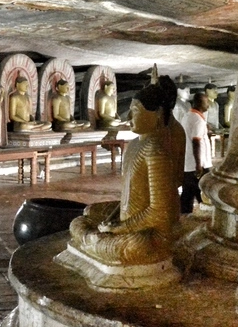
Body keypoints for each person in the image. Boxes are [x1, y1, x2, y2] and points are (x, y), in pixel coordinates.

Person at [66, 77, 186, 269]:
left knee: (134, 246)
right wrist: (113, 218)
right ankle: (96, 239)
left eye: (136, 111)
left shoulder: (156, 151)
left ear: (158, 114)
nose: (128, 117)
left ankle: (94, 240)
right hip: (128, 219)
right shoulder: (134, 145)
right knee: (88, 213)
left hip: (149, 233)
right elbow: (127, 196)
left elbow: (160, 212)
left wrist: (121, 228)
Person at [180, 93, 211, 214]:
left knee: (188, 192)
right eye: (206, 102)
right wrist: (198, 164)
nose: (208, 104)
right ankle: (207, 215)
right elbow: (196, 142)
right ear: (199, 103)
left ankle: (184, 215)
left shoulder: (188, 116)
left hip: (188, 162)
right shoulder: (198, 120)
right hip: (197, 163)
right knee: (203, 191)